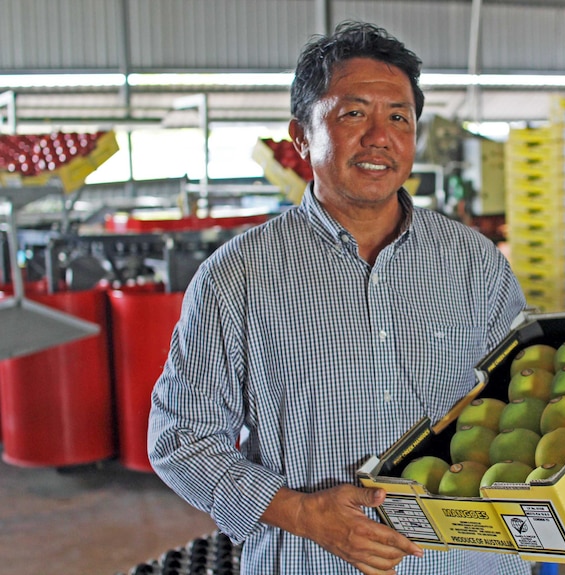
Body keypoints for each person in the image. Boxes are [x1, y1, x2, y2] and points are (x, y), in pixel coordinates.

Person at [148, 20, 529, 575]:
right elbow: (180, 437)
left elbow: (522, 403)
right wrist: (302, 514)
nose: (380, 136)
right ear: (301, 135)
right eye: (353, 113)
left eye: (399, 117)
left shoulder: (475, 264)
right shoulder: (239, 277)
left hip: (468, 562)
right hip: (313, 561)